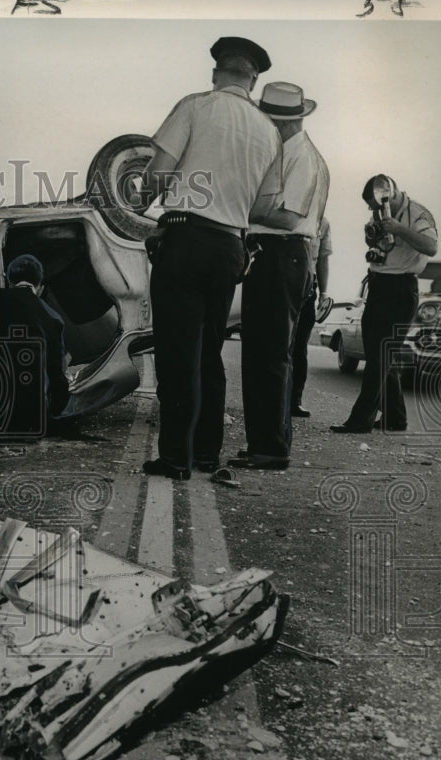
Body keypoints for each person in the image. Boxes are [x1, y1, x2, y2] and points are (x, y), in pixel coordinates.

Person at [138, 36, 282, 480]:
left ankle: (175, 458)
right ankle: (205, 454)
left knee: (176, 351)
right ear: (253, 79)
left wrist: (145, 198)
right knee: (209, 351)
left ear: (217, 73)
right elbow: (266, 207)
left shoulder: (195, 106)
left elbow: (157, 177)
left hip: (185, 237)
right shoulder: (269, 131)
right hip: (230, 247)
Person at [230, 81, 330, 471]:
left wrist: (238, 209)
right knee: (264, 353)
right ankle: (265, 443)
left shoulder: (302, 158)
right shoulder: (294, 153)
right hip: (279, 254)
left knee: (269, 355)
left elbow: (287, 217)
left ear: (280, 122)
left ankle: (270, 448)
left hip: (282, 252)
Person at [330, 176, 438, 433]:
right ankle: (395, 418)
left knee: (380, 359)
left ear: (389, 194)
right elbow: (374, 239)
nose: (374, 212)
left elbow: (432, 247)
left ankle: (360, 420)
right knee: (379, 356)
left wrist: (398, 229)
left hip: (400, 288)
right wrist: (373, 234)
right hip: (378, 285)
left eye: (375, 206)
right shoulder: (380, 213)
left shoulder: (419, 215)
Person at [0, 254, 74, 433]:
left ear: (9, 281)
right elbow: (57, 375)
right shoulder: (53, 318)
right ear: (40, 286)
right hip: (28, 420)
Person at [291, 217, 332, 417]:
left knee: (300, 348)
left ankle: (294, 400)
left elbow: (323, 259)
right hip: (285, 279)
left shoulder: (322, 223)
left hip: (309, 286)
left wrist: (324, 293)